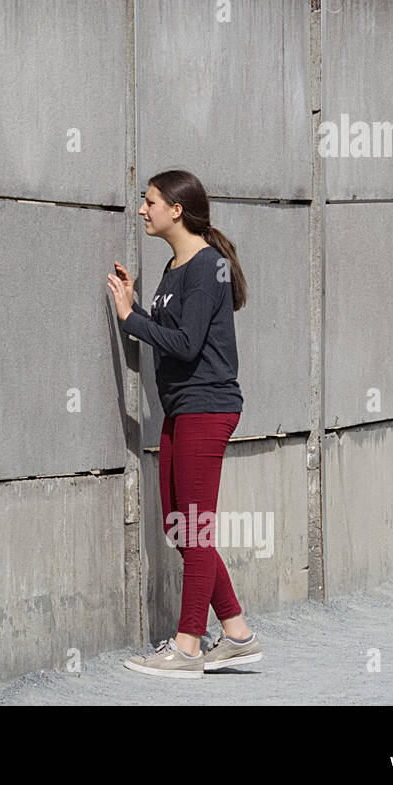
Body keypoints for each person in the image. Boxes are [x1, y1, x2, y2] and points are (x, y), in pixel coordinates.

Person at [105, 169, 264, 679]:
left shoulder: (207, 266)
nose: (142, 210)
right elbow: (174, 330)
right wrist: (139, 305)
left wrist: (131, 319)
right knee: (180, 526)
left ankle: (189, 645)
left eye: (149, 201)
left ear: (176, 209)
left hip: (208, 406)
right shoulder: (176, 267)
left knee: (194, 528)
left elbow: (188, 343)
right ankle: (236, 633)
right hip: (182, 408)